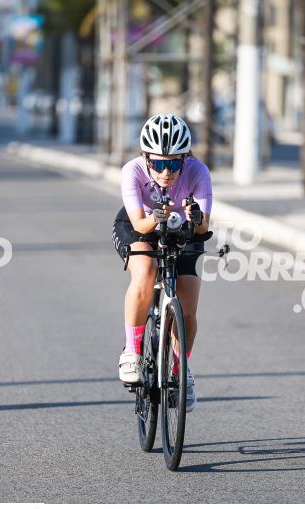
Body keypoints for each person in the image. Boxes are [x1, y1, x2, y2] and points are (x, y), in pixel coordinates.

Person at [113, 114, 211, 412]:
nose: (166, 172)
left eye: (174, 165)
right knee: (145, 270)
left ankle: (181, 371)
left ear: (185, 158)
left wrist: (196, 218)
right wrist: (156, 216)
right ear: (145, 157)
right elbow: (139, 224)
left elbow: (203, 229)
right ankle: (132, 352)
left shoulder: (198, 171)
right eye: (157, 164)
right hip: (140, 225)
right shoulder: (132, 171)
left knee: (188, 304)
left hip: (182, 228)